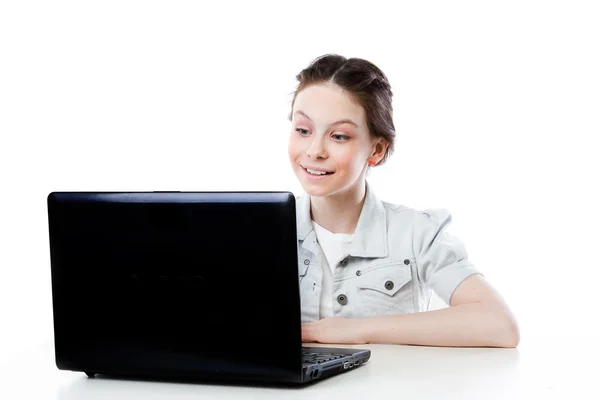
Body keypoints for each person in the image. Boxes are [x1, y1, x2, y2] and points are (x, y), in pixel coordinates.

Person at [287, 54, 519, 348]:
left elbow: (499, 325)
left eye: (340, 136)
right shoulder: (261, 230)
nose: (314, 150)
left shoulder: (416, 233)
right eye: (303, 130)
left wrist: (358, 330)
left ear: (377, 150)